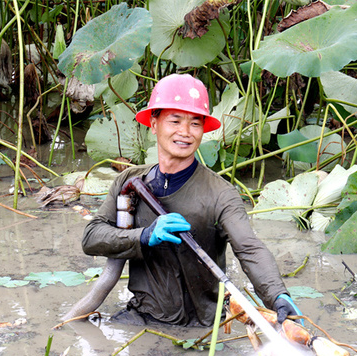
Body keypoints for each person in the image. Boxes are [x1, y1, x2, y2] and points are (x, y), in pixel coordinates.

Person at [81, 73, 301, 326]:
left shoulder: (221, 193)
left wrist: (278, 296)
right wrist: (143, 236)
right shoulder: (129, 181)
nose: (185, 132)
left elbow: (249, 248)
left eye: (195, 124)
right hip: (140, 316)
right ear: (154, 123)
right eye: (175, 121)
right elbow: (92, 238)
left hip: (203, 325)